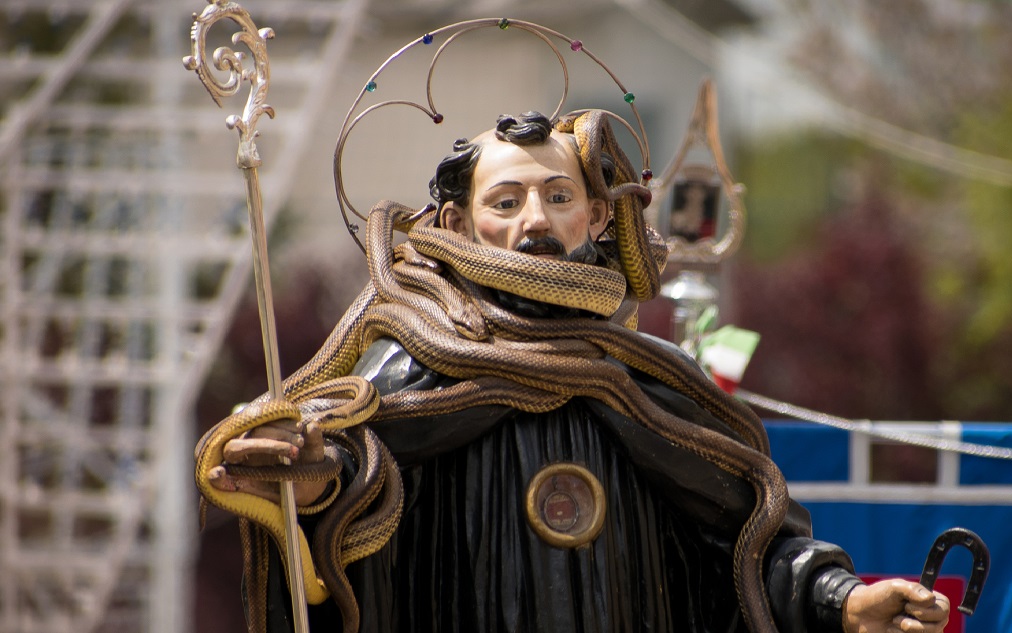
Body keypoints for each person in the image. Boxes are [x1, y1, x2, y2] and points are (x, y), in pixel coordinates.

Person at [200, 111, 950, 633]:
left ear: (595, 218)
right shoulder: (413, 364)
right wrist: (312, 480)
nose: (536, 220)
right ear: (457, 225)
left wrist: (838, 599)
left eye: (558, 196)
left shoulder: (653, 381)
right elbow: (352, 475)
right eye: (507, 199)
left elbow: (749, 535)